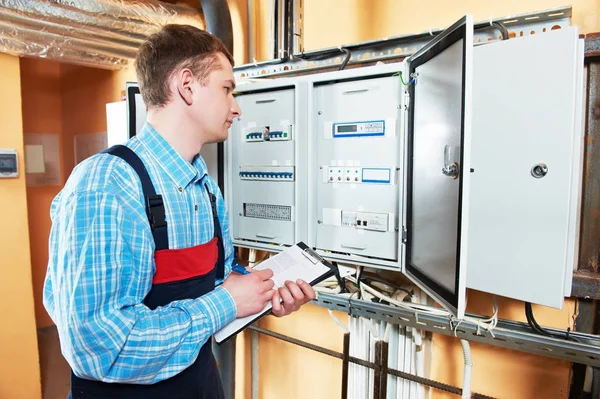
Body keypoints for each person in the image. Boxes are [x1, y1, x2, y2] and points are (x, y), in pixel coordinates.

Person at [43, 24, 316, 399]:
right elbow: (99, 349)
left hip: (200, 383)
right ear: (187, 85)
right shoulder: (106, 184)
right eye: (226, 89)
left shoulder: (204, 187)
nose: (236, 108)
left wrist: (259, 296)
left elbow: (212, 290)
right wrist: (225, 303)